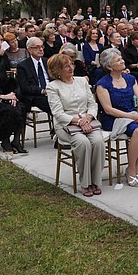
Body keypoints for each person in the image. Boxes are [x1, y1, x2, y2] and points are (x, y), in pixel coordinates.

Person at [47, 52, 106, 197]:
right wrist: (78, 121)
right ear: (57, 70)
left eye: (71, 64)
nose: (70, 68)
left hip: (88, 121)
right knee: (82, 142)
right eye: (65, 66)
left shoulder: (82, 81)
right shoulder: (53, 87)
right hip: (66, 125)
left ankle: (95, 181)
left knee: (98, 141)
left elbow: (93, 105)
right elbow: (58, 113)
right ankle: (85, 183)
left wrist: (87, 118)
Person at [96, 48, 138, 187]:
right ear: (109, 66)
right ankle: (132, 170)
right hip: (113, 118)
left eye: (121, 58)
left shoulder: (130, 79)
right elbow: (108, 109)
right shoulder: (102, 84)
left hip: (133, 115)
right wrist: (132, 116)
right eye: (118, 60)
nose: (122, 61)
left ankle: (133, 167)